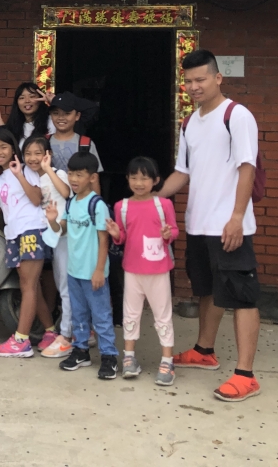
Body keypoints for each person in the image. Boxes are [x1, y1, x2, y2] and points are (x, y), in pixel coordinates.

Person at [157, 49, 262, 402]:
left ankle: (246, 374)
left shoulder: (237, 115)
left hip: (230, 224)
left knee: (241, 296)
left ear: (218, 78)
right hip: (199, 224)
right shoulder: (189, 122)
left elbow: (248, 167)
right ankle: (204, 351)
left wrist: (236, 217)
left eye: (200, 79)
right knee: (207, 289)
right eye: (188, 81)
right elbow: (182, 172)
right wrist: (150, 198)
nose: (193, 86)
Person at [0, 128, 56, 358]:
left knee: (28, 287)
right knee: (33, 288)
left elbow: (36, 198)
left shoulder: (28, 170)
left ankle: (21, 340)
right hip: (14, 235)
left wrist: (19, 174)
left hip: (32, 231)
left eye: (3, 147)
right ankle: (51, 332)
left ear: (14, 149)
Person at [104, 156, 179, 386]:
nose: (139, 183)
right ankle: (129, 357)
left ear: (155, 180)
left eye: (144, 178)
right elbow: (123, 239)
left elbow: (174, 230)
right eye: (134, 177)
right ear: (127, 179)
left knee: (162, 315)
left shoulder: (163, 204)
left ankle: (167, 360)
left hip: (158, 270)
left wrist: (168, 235)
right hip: (132, 269)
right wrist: (116, 234)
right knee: (130, 314)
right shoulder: (121, 206)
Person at [48, 151, 118, 380]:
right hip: (73, 271)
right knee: (78, 315)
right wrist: (52, 221)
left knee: (101, 316)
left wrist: (99, 270)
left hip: (93, 273)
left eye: (79, 174)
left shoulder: (97, 205)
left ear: (92, 177)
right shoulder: (71, 202)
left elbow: (103, 239)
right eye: (70, 173)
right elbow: (64, 230)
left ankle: (109, 357)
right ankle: (81, 352)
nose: (73, 179)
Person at [21, 135, 76, 359]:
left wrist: (48, 169)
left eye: (38, 153)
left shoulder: (59, 174)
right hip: (52, 236)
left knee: (66, 286)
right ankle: (70, 332)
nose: (33, 158)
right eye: (28, 154)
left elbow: (66, 193)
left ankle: (66, 336)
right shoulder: (33, 179)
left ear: (47, 154)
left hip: (65, 235)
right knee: (61, 282)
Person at [46, 92, 103, 192]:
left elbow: (94, 178)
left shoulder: (85, 144)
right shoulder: (44, 142)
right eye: (56, 113)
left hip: (78, 202)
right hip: (50, 201)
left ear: (77, 116)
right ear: (50, 115)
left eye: (67, 113)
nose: (61, 118)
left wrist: (95, 205)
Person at [0, 82, 55, 147]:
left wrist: (54, 101)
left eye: (32, 96)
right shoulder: (14, 127)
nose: (27, 101)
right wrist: (2, 128)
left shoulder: (53, 121)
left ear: (41, 99)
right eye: (22, 98)